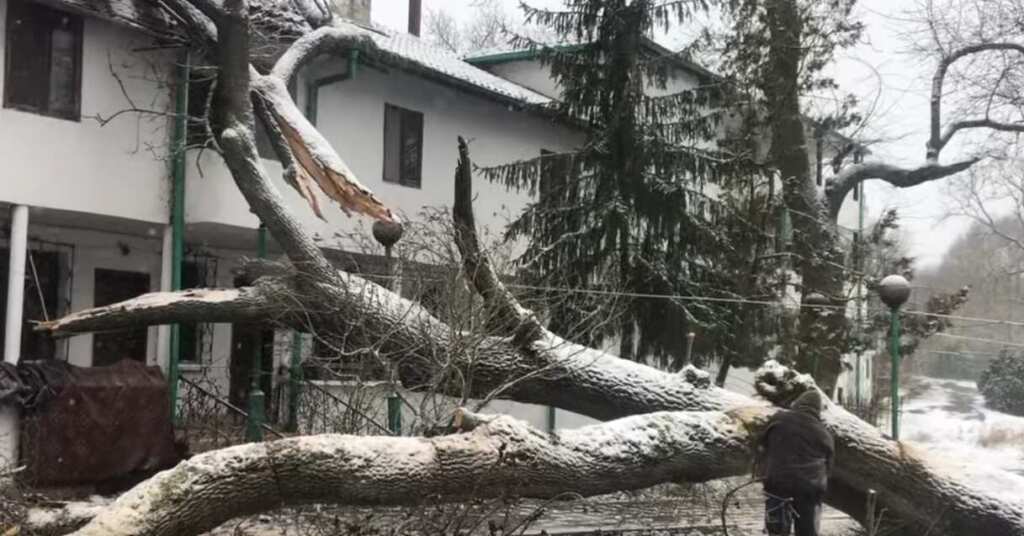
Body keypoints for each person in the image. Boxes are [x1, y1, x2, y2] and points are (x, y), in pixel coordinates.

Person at [755, 389, 835, 536]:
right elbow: (829, 467)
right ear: (817, 410)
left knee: (776, 531)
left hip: (777, 485)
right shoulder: (824, 433)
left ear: (797, 403)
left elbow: (761, 445)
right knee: (806, 532)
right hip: (808, 491)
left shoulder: (779, 419)